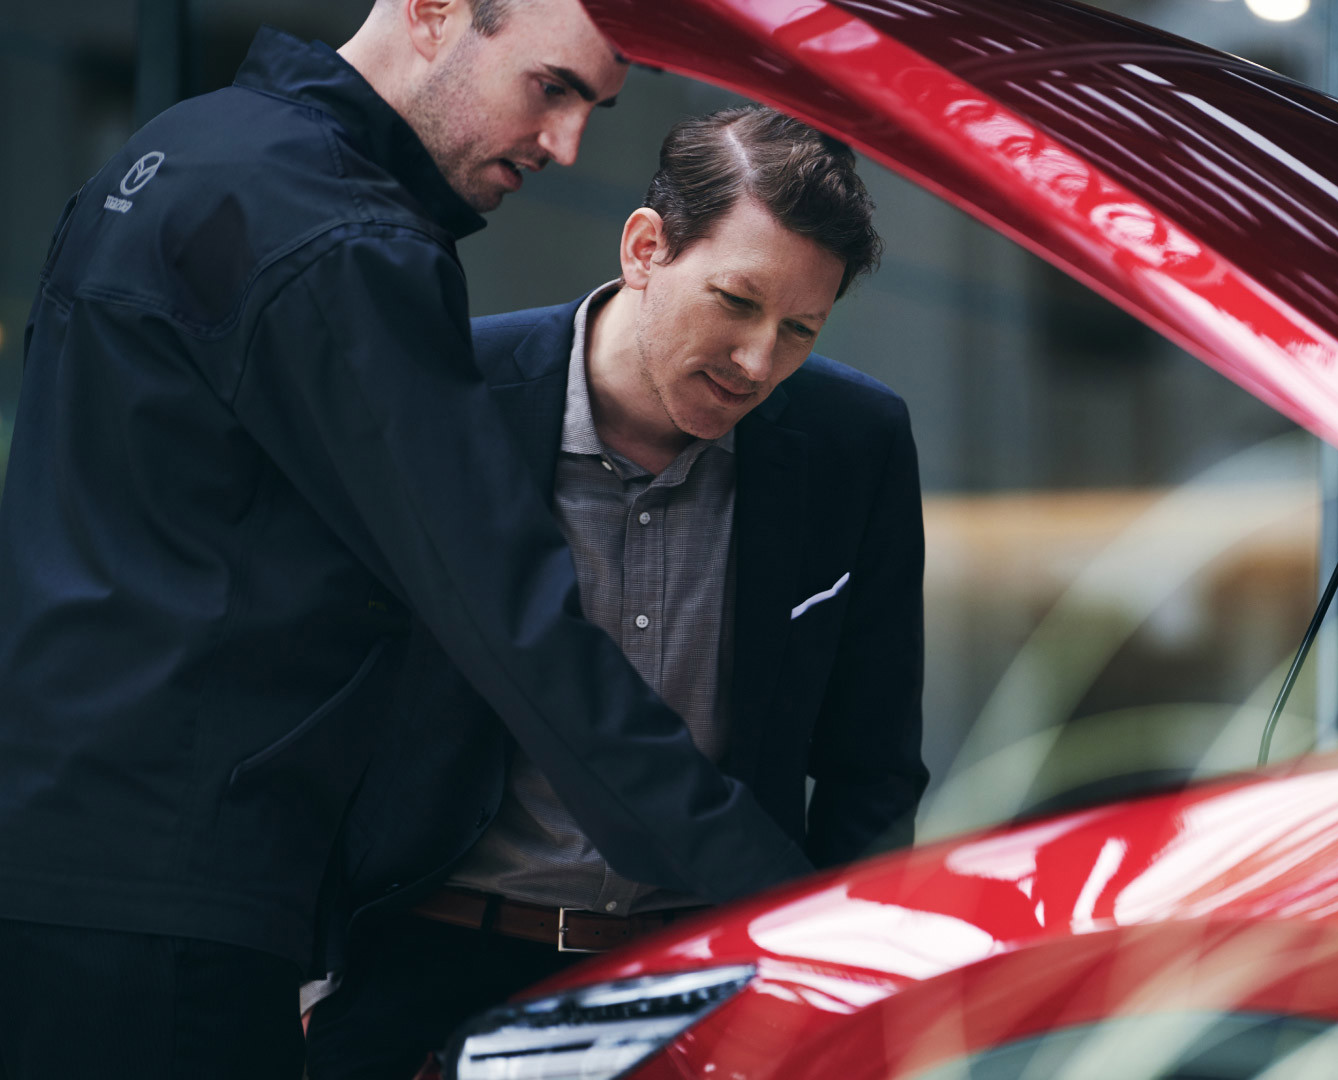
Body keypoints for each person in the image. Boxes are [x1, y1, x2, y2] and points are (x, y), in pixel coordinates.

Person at [0, 2, 815, 1076]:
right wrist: (793, 906)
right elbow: (511, 621)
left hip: (53, 866)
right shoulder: (346, 240)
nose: (568, 144)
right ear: (434, 11)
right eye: (553, 88)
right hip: (174, 906)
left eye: (595, 108)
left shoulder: (171, 155)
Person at [303, 104, 928, 1078]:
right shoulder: (448, 392)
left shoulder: (856, 444)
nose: (758, 362)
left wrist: (837, 991)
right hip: (426, 969)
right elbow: (314, 686)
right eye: (736, 301)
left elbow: (873, 767)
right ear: (645, 248)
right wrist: (305, 971)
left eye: (799, 330)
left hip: (710, 985)